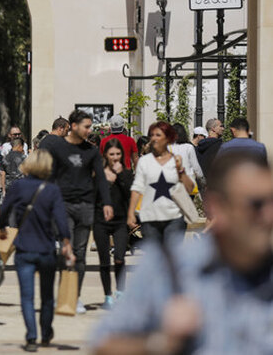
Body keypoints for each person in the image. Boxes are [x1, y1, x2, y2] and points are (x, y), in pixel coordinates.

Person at [92, 152, 273, 354]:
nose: (268, 215)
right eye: (256, 204)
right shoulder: (167, 268)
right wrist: (161, 342)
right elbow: (103, 346)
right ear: (218, 208)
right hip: (154, 219)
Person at [0, 150, 74, 352]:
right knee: (47, 296)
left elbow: (3, 213)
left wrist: (1, 227)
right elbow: (61, 221)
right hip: (47, 249)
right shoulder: (52, 190)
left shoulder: (18, 186)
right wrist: (66, 242)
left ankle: (31, 337)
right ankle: (46, 331)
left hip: (24, 248)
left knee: (27, 297)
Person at [39, 109, 113, 314]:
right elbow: (50, 177)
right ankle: (64, 295)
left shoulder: (91, 151)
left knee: (80, 255)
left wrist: (106, 202)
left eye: (90, 127)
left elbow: (100, 178)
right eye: (86, 126)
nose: (90, 131)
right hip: (63, 205)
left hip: (86, 206)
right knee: (66, 251)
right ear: (73, 126)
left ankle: (75, 297)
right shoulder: (58, 148)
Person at [128, 122, 195, 244]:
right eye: (152, 135)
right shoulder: (144, 161)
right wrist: (131, 212)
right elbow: (137, 188)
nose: (155, 138)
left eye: (159, 135)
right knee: (155, 252)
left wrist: (181, 170)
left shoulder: (175, 160)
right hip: (151, 215)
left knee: (172, 252)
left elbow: (189, 188)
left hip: (174, 215)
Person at [94, 139, 132, 310]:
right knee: (104, 261)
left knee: (119, 257)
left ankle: (121, 292)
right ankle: (107, 295)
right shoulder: (98, 173)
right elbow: (93, 197)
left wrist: (121, 175)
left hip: (120, 221)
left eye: (118, 154)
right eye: (112, 154)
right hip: (101, 221)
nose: (115, 157)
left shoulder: (126, 173)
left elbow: (130, 195)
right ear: (106, 155)